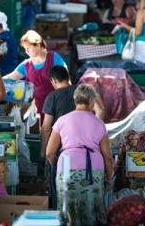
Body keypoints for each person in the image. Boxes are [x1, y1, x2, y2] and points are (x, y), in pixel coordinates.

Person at [46, 83, 113, 226]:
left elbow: (50, 152)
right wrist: (108, 178)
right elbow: (107, 156)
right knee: (91, 208)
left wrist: (56, 165)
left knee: (67, 207)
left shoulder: (62, 121)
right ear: (90, 101)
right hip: (93, 171)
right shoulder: (99, 124)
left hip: (66, 167)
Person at [40, 66, 106, 209]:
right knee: (89, 201)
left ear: (54, 80)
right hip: (92, 156)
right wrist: (96, 125)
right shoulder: (81, 92)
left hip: (63, 155)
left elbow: (46, 128)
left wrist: (43, 154)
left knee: (63, 199)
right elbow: (101, 111)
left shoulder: (53, 97)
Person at [4, 30, 67, 124]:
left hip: (58, 107)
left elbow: (66, 81)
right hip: (37, 110)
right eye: (25, 48)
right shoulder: (26, 65)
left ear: (37, 45)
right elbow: (9, 78)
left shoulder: (54, 58)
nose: (26, 51)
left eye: (28, 48)